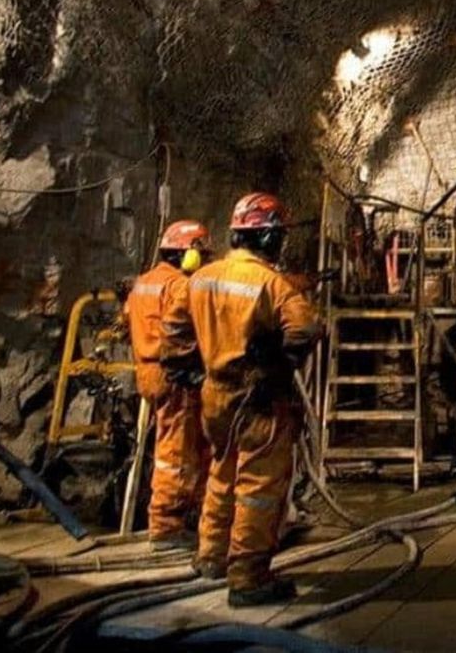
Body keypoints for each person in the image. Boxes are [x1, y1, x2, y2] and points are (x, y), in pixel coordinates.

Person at [162, 192, 322, 607]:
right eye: (279, 236)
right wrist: (277, 365)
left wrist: (191, 370)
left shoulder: (201, 278)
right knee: (259, 486)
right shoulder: (272, 284)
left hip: (215, 395)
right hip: (258, 398)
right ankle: (249, 577)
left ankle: (212, 556)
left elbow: (174, 331)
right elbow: (305, 329)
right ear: (268, 238)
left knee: (222, 472)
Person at [123, 220, 213, 551]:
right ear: (189, 253)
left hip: (147, 371)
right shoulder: (179, 286)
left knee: (186, 444)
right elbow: (189, 329)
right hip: (174, 375)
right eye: (202, 254)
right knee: (175, 450)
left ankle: (192, 514)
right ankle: (165, 526)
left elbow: (126, 318)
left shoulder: (143, 282)